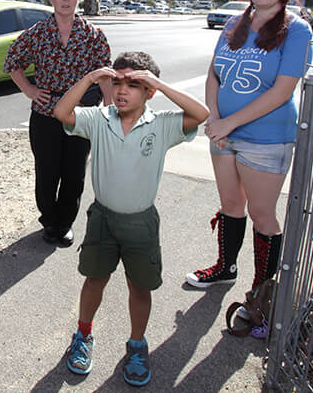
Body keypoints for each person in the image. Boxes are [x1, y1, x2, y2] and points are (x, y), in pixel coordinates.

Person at [53, 52, 209, 387]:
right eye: (117, 82)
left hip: (141, 223)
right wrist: (90, 79)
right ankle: (83, 335)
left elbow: (202, 114)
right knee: (95, 279)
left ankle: (137, 344)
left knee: (140, 286)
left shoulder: (163, 124)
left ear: (149, 91)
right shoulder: (99, 118)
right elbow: (61, 112)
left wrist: (159, 84)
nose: (122, 90)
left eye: (134, 84)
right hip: (103, 219)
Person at [186, 0, 313, 337]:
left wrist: (228, 122)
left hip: (265, 139)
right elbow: (214, 72)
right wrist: (213, 116)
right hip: (224, 134)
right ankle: (225, 267)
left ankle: (262, 292)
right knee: (230, 205)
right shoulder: (234, 23)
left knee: (262, 215)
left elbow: (281, 92)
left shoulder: (296, 30)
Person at [4, 0, 111, 247]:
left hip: (81, 114)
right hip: (46, 113)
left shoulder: (93, 35)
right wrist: (29, 89)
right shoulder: (38, 33)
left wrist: (109, 110)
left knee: (74, 172)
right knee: (47, 170)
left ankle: (64, 224)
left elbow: (105, 75)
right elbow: (12, 62)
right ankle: (49, 219)